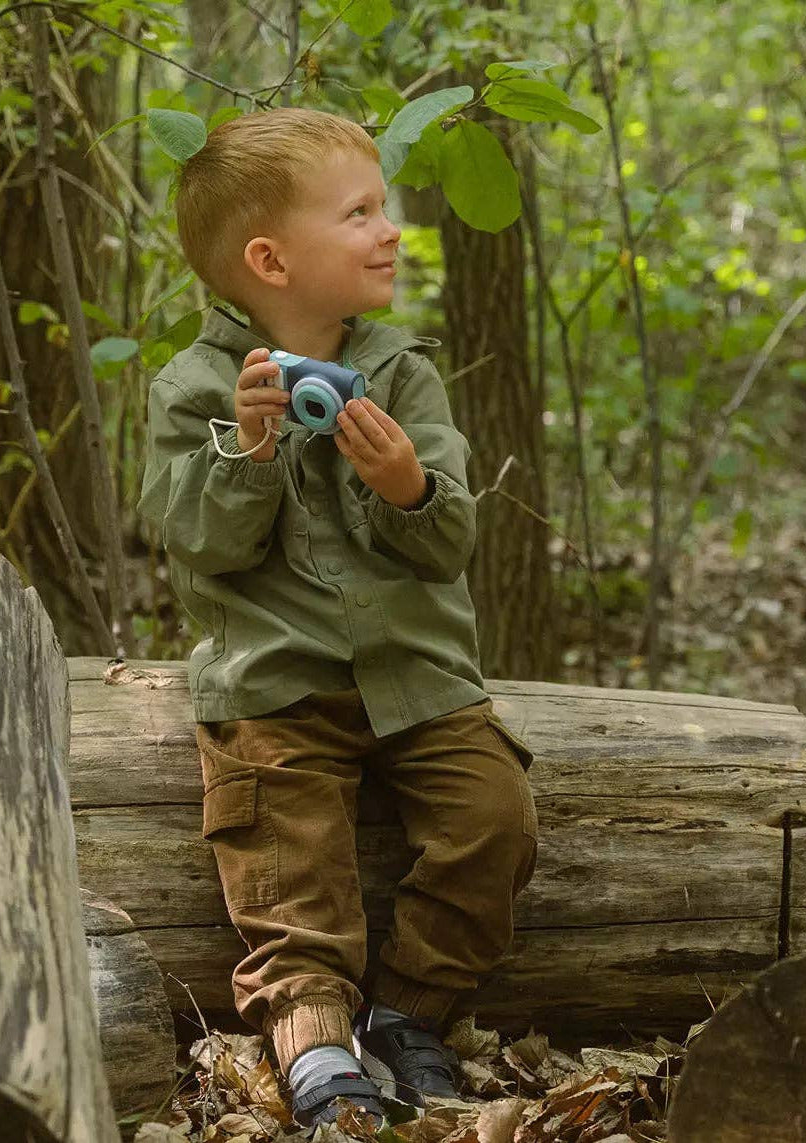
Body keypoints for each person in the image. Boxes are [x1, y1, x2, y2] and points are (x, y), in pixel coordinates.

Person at [137, 105, 538, 1129]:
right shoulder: (193, 389)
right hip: (273, 681)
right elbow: (199, 543)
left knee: (493, 818)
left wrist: (406, 484)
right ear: (270, 260)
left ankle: (411, 1015)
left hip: (417, 675)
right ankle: (313, 1041)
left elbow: (446, 544)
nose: (389, 229)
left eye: (383, 207)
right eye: (359, 213)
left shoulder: (403, 372)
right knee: (286, 861)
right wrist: (251, 451)